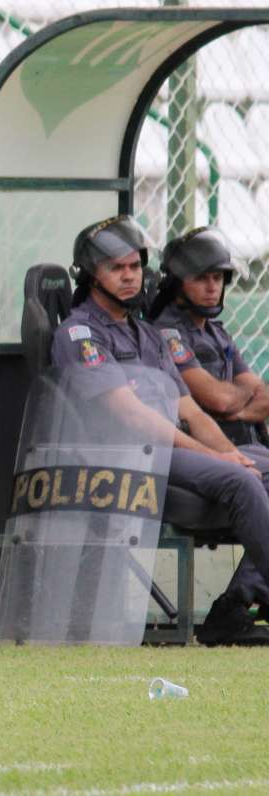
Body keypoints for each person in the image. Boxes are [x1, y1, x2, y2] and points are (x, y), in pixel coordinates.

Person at [50, 214, 269, 646]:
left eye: (135, 266)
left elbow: (192, 411)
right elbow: (131, 416)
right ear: (91, 276)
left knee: (252, 465)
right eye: (117, 268)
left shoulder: (146, 335)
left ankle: (238, 605)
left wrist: (229, 450)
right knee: (241, 479)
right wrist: (218, 458)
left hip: (166, 453)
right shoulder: (79, 334)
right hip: (124, 460)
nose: (130, 276)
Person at [149, 226, 269, 642]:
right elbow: (215, 401)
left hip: (240, 444)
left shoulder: (216, 331)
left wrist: (235, 399)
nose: (211, 286)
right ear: (178, 282)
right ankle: (236, 605)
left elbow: (259, 394)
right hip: (198, 454)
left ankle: (238, 601)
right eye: (202, 277)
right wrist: (237, 397)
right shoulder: (168, 332)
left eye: (218, 278)